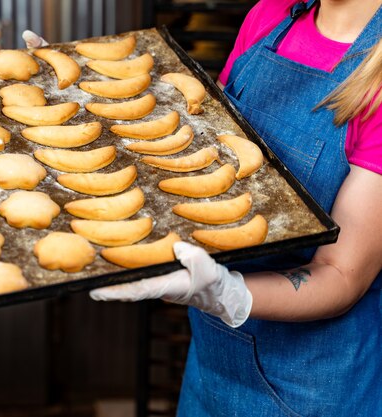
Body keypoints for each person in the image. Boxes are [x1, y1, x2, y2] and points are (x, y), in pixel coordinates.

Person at [89, 0, 382, 415]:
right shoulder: (272, 15)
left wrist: (227, 293)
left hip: (316, 386)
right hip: (213, 363)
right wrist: (90, 93)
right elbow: (207, 150)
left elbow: (341, 274)